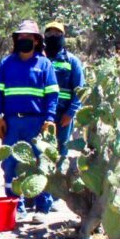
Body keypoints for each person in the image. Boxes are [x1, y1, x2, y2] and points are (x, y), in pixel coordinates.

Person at [0, 20, 60, 223]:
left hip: (36, 122)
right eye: (20, 37)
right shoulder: (7, 63)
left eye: (28, 38)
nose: (24, 40)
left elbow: (52, 94)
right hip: (11, 122)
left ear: (36, 40)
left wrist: (49, 119)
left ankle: (42, 207)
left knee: (40, 163)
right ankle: (16, 206)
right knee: (10, 164)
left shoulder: (44, 64)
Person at [43, 21, 84, 154]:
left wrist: (70, 113)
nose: (53, 36)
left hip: (63, 114)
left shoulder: (72, 61)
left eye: (57, 33)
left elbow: (80, 90)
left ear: (63, 36)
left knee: (61, 150)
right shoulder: (39, 60)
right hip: (40, 113)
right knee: (40, 149)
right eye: (49, 33)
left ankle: (58, 174)